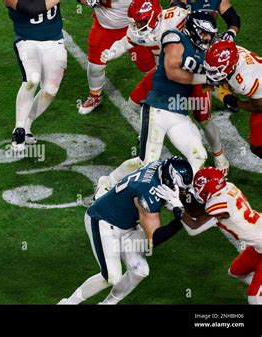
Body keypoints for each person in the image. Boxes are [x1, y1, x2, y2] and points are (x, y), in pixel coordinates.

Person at [95, 11, 217, 199]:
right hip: (158, 108)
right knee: (146, 163)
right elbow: (172, 72)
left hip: (179, 112)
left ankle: (179, 195)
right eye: (204, 33)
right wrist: (206, 77)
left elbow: (208, 82)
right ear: (193, 30)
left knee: (198, 156)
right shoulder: (175, 37)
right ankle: (107, 183)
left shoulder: (203, 51)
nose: (207, 37)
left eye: (210, 33)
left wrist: (223, 91)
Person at [59, 157, 192, 304]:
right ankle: (68, 303)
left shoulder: (162, 166)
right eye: (181, 188)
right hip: (103, 220)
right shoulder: (147, 192)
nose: (183, 192)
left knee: (140, 271)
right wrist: (178, 221)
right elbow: (153, 239)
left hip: (128, 223)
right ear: (168, 181)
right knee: (111, 276)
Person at [181, 167, 261, 304]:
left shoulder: (218, 205)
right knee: (236, 272)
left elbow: (194, 228)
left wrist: (177, 208)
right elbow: (202, 213)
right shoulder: (227, 187)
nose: (197, 190)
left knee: (255, 299)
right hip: (257, 242)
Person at [4, 0, 67, 151]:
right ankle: (19, 130)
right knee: (33, 78)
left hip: (54, 40)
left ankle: (27, 124)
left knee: (51, 89)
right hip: (27, 40)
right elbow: (31, 8)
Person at [77, 0, 155, 115]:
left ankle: (158, 96)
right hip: (104, 29)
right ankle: (95, 96)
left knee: (151, 68)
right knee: (95, 68)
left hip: (136, 28)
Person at [204, 40, 262, 158]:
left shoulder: (244, 81)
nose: (212, 72)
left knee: (257, 147)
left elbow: (258, 107)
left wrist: (235, 102)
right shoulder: (234, 55)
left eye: (216, 69)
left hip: (259, 102)